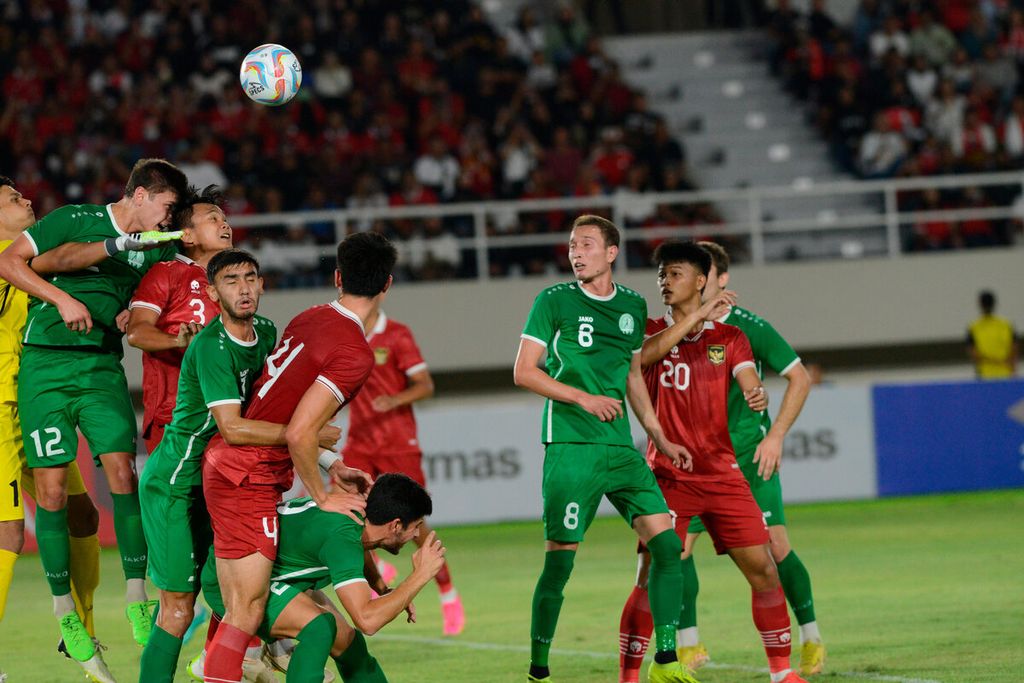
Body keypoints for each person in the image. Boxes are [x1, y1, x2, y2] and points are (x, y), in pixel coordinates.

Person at [0, 159, 189, 668]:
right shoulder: (74, 218)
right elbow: (13, 263)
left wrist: (134, 314)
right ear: (143, 194)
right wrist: (62, 300)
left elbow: (148, 309)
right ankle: (64, 611)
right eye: (166, 208)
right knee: (52, 492)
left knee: (124, 474)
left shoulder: (157, 250)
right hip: (43, 367)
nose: (167, 221)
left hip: (102, 366)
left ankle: (136, 597)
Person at [200, 232, 396, 683]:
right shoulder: (353, 351)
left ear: (338, 277)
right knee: (243, 614)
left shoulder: (311, 317)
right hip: (245, 473)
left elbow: (284, 409)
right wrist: (322, 494)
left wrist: (333, 464)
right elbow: (301, 431)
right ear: (387, 284)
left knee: (257, 615)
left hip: (239, 469)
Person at [513, 214, 698, 683]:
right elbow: (524, 371)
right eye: (573, 245)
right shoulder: (553, 301)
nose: (576, 252)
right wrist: (582, 397)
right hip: (571, 446)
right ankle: (538, 668)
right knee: (561, 561)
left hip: (620, 450)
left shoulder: (633, 305)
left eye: (587, 245)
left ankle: (667, 660)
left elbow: (634, 376)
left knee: (667, 546)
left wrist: (658, 437)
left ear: (611, 253)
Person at [617, 241, 807, 683]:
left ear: (701, 280)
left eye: (675, 273)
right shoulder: (645, 330)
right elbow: (643, 359)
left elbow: (745, 374)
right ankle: (630, 676)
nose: (665, 281)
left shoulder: (730, 338)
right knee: (652, 571)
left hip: (722, 473)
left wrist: (755, 389)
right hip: (668, 476)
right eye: (662, 274)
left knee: (762, 567)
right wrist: (696, 317)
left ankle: (782, 673)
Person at [674, 241, 824, 675]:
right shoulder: (676, 329)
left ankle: (811, 638)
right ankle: (689, 645)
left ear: (721, 280)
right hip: (694, 467)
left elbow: (797, 377)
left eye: (706, 273)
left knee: (776, 549)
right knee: (675, 551)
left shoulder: (748, 328)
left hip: (746, 463)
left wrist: (775, 436)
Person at [0, 175, 108, 682]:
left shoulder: (22, 257)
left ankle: (79, 634)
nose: (25, 199)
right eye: (12, 198)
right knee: (8, 532)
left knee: (82, 514)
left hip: (35, 403)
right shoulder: (13, 259)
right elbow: (63, 259)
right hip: (0, 411)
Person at [202, 473, 446, 682]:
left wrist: (382, 588)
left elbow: (360, 547)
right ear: (395, 525)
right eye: (416, 526)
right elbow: (368, 620)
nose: (416, 535)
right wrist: (421, 575)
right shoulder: (343, 536)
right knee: (319, 626)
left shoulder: (355, 515)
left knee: (350, 645)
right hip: (233, 578)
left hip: (273, 574)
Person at [342, 307, 466, 636]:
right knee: (344, 512)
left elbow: (425, 385)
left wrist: (394, 399)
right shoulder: (347, 334)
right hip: (360, 441)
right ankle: (376, 567)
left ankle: (448, 592)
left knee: (416, 529)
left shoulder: (397, 334)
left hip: (398, 443)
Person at [127, 185, 232, 455]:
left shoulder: (234, 283)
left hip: (226, 417)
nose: (225, 225)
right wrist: (178, 340)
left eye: (224, 219)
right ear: (188, 236)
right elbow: (137, 333)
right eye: (213, 218)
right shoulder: (167, 273)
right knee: (174, 498)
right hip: (174, 417)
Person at [967, 290, 1017, 379]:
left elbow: (974, 354)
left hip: (985, 375)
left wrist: (992, 361)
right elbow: (1014, 350)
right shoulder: (1006, 325)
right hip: (1005, 373)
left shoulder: (974, 328)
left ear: (980, 305)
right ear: (994, 304)